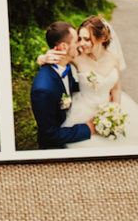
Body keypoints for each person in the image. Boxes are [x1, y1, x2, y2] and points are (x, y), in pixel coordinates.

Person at [40, 16, 138, 149]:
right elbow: (58, 56)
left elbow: (116, 89)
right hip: (83, 112)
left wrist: (115, 112)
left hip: (109, 110)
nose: (81, 43)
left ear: (102, 38)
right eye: (79, 38)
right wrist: (42, 58)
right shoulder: (77, 57)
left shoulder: (114, 59)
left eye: (87, 39)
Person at [30, 21, 94, 149]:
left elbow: (69, 86)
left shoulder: (65, 66)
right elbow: (50, 134)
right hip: (57, 146)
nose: (80, 44)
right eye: (76, 41)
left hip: (69, 117)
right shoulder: (43, 90)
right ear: (64, 47)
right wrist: (87, 129)